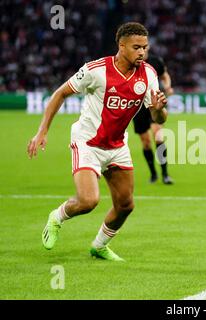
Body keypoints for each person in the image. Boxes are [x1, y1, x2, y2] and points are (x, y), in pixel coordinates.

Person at [27, 22, 168, 261]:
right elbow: (59, 93)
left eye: (145, 47)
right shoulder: (96, 70)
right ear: (121, 46)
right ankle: (56, 217)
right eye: (137, 47)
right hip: (88, 143)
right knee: (88, 201)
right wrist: (42, 131)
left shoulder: (149, 75)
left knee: (126, 205)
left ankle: (99, 246)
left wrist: (158, 110)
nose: (142, 53)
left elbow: (159, 117)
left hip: (117, 145)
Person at [132, 50, 174, 184]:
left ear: (148, 47)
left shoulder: (156, 61)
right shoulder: (130, 62)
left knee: (158, 137)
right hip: (138, 106)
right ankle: (153, 174)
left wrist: (167, 86)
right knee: (146, 142)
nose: (141, 49)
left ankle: (165, 174)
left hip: (153, 102)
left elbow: (165, 75)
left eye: (144, 46)